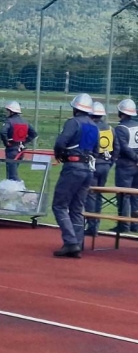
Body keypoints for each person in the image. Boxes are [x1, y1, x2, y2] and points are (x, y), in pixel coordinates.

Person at [51, 94, 98, 257]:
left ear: (75, 109)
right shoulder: (94, 125)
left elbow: (60, 142)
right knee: (77, 208)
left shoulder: (74, 122)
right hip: (87, 168)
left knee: (59, 205)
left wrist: (59, 154)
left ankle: (71, 243)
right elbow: (96, 150)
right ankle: (77, 243)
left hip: (73, 167)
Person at [85, 102, 115, 238]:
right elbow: (117, 147)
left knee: (91, 195)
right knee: (99, 195)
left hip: (93, 164)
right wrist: (110, 163)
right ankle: (95, 226)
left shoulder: (90, 128)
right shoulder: (110, 128)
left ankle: (92, 227)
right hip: (105, 165)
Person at [114, 98, 138, 234]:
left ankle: (124, 225)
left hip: (125, 165)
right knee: (135, 195)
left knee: (124, 195)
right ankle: (135, 225)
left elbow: (123, 148)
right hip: (136, 165)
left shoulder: (120, 128)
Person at [0, 101, 37, 181]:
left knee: (12, 175)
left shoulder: (9, 121)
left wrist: (6, 142)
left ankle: (18, 190)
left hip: (12, 149)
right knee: (13, 172)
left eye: (8, 110)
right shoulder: (25, 121)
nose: (7, 112)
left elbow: (3, 132)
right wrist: (24, 141)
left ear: (11, 111)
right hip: (21, 150)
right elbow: (33, 133)